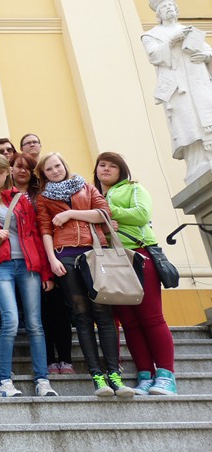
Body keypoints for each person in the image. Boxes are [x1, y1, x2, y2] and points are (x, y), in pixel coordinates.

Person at [36, 152, 134, 397]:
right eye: (49, 169)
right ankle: (97, 377)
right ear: (44, 174)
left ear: (64, 165)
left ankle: (114, 375)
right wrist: (52, 259)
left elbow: (104, 213)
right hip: (65, 255)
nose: (55, 171)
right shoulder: (43, 198)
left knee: (103, 312)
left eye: (57, 165)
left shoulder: (86, 187)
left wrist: (70, 214)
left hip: (94, 253)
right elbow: (45, 230)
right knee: (81, 315)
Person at [0, 154, 58, 397]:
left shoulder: (21, 200)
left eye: (0, 172)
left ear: (8, 172)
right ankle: (4, 381)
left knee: (35, 324)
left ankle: (42, 380)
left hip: (28, 265)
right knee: (10, 321)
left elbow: (35, 235)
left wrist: (46, 272)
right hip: (0, 266)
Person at [94, 151, 177, 395]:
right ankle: (145, 375)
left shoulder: (134, 188)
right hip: (111, 261)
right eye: (102, 165)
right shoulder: (92, 195)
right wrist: (104, 225)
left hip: (139, 255)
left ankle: (166, 375)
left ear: (121, 170)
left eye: (112, 166)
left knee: (152, 317)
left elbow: (142, 214)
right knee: (129, 323)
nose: (106, 169)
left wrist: (107, 211)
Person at [11, 152, 74, 375]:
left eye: (28, 168)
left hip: (51, 253)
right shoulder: (6, 194)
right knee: (39, 312)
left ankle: (65, 359)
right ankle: (48, 359)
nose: (23, 171)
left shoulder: (43, 194)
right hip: (25, 258)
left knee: (58, 309)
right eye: (18, 166)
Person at [141, 0, 212, 183]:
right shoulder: (151, 35)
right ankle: (197, 162)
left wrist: (206, 56)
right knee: (188, 122)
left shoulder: (190, 30)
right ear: (159, 14)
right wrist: (172, 41)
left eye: (171, 5)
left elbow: (208, 51)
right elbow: (155, 56)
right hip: (178, 88)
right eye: (165, 7)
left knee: (207, 114)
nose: (169, 8)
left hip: (199, 82)